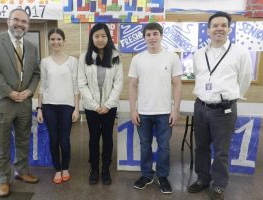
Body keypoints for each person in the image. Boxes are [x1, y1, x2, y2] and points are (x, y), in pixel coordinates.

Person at [187, 11, 253, 200]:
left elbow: (245, 79)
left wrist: (232, 96)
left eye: (223, 25)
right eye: (215, 25)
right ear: (208, 30)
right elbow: (200, 76)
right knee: (201, 147)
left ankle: (219, 184)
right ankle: (203, 179)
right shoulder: (199, 54)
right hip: (200, 107)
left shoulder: (239, 52)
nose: (219, 29)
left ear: (229, 29)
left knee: (222, 150)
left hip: (224, 109)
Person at [0, 8, 40, 197]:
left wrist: (29, 91)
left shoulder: (32, 47)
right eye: (16, 20)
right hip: (1, 103)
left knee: (24, 140)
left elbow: (36, 73)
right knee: (1, 144)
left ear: (28, 26)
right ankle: (2, 179)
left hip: (24, 103)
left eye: (24, 22)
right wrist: (9, 93)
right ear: (8, 21)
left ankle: (21, 171)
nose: (19, 24)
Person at [129, 22, 182, 194]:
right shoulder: (137, 59)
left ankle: (163, 176)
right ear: (144, 37)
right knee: (145, 145)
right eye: (149, 34)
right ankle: (146, 175)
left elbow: (177, 84)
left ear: (161, 35)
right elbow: (132, 85)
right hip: (143, 112)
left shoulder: (172, 57)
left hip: (165, 112)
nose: (152, 37)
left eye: (155, 34)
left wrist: (175, 110)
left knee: (164, 146)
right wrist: (133, 110)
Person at [78, 23, 123, 185]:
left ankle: (105, 169)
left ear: (108, 37)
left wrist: (108, 104)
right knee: (94, 138)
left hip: (109, 107)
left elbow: (118, 83)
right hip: (92, 107)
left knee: (108, 137)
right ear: (92, 38)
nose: (100, 39)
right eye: (96, 36)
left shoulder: (116, 56)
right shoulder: (84, 57)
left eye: (103, 36)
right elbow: (81, 83)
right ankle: (94, 169)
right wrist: (95, 105)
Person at [36, 28, 79, 184]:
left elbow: (76, 86)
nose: (56, 42)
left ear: (64, 41)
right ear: (49, 41)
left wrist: (76, 108)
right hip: (49, 106)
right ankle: (57, 169)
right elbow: (42, 86)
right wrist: (39, 108)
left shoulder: (73, 61)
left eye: (59, 39)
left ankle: (65, 167)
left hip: (67, 106)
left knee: (65, 140)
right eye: (52, 39)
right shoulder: (45, 62)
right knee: (53, 139)